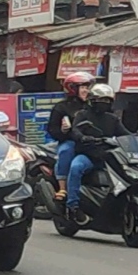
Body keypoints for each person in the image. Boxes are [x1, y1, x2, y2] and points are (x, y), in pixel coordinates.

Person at [65, 83, 130, 219]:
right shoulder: (82, 115)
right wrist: (83, 137)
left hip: (108, 157)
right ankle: (72, 206)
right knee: (76, 168)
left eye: (107, 101)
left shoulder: (112, 119)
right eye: (101, 100)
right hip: (88, 155)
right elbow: (75, 130)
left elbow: (125, 134)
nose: (104, 103)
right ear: (92, 101)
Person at [47, 72, 94, 200]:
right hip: (70, 141)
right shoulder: (61, 107)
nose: (87, 91)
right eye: (83, 87)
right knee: (66, 150)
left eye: (88, 87)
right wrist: (63, 131)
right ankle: (62, 188)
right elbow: (52, 130)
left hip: (91, 142)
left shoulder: (93, 106)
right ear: (73, 89)